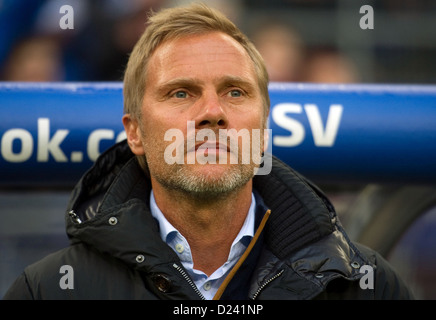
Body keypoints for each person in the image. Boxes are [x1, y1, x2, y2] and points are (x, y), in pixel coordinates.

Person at [4, 3, 412, 300]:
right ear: (135, 134)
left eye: (235, 91)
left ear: (264, 128)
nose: (213, 112)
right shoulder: (48, 289)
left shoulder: (366, 285)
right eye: (181, 93)